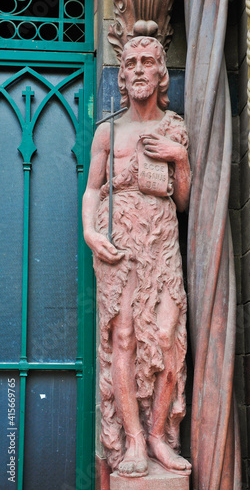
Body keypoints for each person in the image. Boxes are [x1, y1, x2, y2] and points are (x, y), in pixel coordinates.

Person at [82, 36, 192, 478]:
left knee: (168, 337)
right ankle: (132, 440)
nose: (141, 68)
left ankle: (158, 436)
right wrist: (91, 233)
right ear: (123, 75)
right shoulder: (108, 131)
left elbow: (183, 202)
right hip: (120, 240)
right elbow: (92, 189)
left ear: (161, 72)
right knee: (123, 338)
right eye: (132, 62)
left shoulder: (174, 127)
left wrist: (180, 158)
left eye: (149, 61)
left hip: (162, 241)